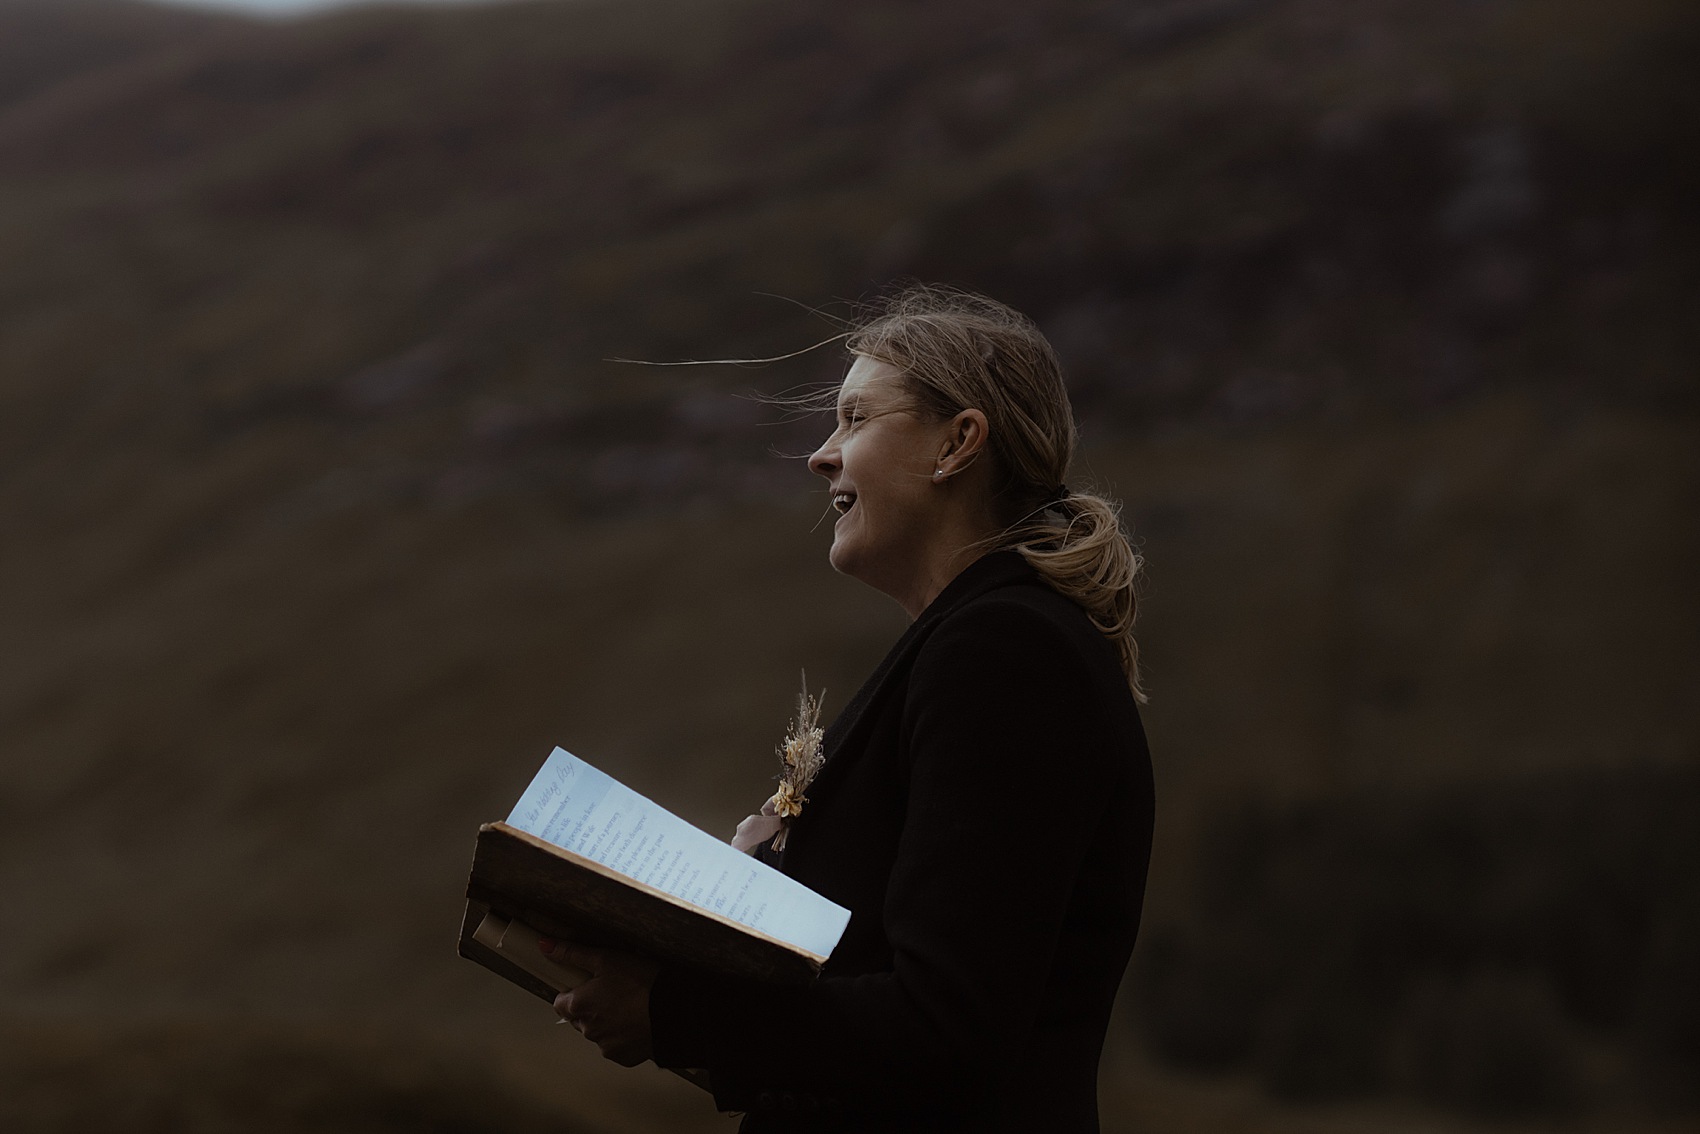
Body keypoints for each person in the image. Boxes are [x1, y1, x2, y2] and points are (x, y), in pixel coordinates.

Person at [541, 286, 1155, 1132]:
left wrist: (670, 1017)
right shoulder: (981, 644)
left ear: (957, 444)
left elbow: (949, 1024)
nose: (820, 457)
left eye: (854, 419)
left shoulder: (1005, 655)